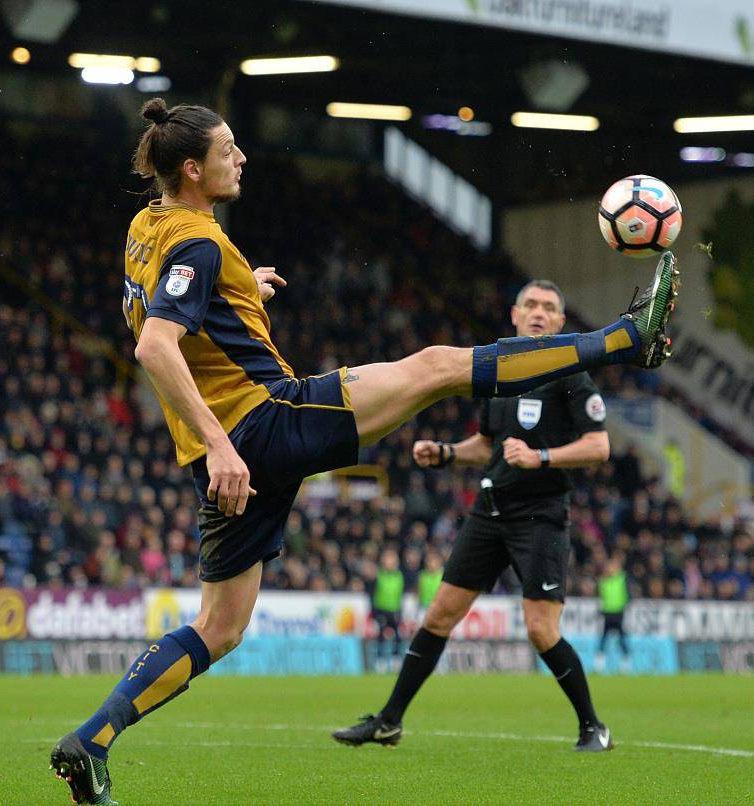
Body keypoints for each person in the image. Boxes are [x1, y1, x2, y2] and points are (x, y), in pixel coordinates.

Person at [50, 98, 681, 804]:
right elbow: (155, 343)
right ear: (193, 169)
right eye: (230, 149)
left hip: (216, 456)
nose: (244, 157)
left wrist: (240, 297)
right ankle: (626, 340)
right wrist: (225, 441)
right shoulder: (198, 243)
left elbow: (165, 311)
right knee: (439, 366)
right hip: (261, 426)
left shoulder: (148, 226)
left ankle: (91, 741)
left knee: (220, 627)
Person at [332, 279, 618, 752]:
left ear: (562, 323)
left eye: (550, 307)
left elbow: (599, 446)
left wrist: (540, 458)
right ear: (514, 314)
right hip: (491, 510)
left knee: (540, 629)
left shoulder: (571, 375)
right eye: (531, 304)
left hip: (541, 514)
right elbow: (487, 445)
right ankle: (389, 721)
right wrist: (446, 453)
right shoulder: (501, 376)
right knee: (440, 614)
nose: (539, 313)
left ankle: (594, 728)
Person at [371, 548, 405, 670]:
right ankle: (380, 660)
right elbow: (372, 594)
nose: (391, 563)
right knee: (381, 635)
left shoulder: (399, 576)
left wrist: (401, 610)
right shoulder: (379, 575)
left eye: (393, 560)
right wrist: (374, 612)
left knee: (398, 636)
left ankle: (395, 659)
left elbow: (400, 595)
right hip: (381, 609)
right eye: (388, 560)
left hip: (395, 609)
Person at [596, 554, 630, 671]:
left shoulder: (622, 579)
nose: (610, 569)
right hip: (607, 613)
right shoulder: (603, 582)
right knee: (604, 638)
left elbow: (628, 594)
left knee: (621, 638)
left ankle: (625, 664)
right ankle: (599, 665)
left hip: (619, 613)